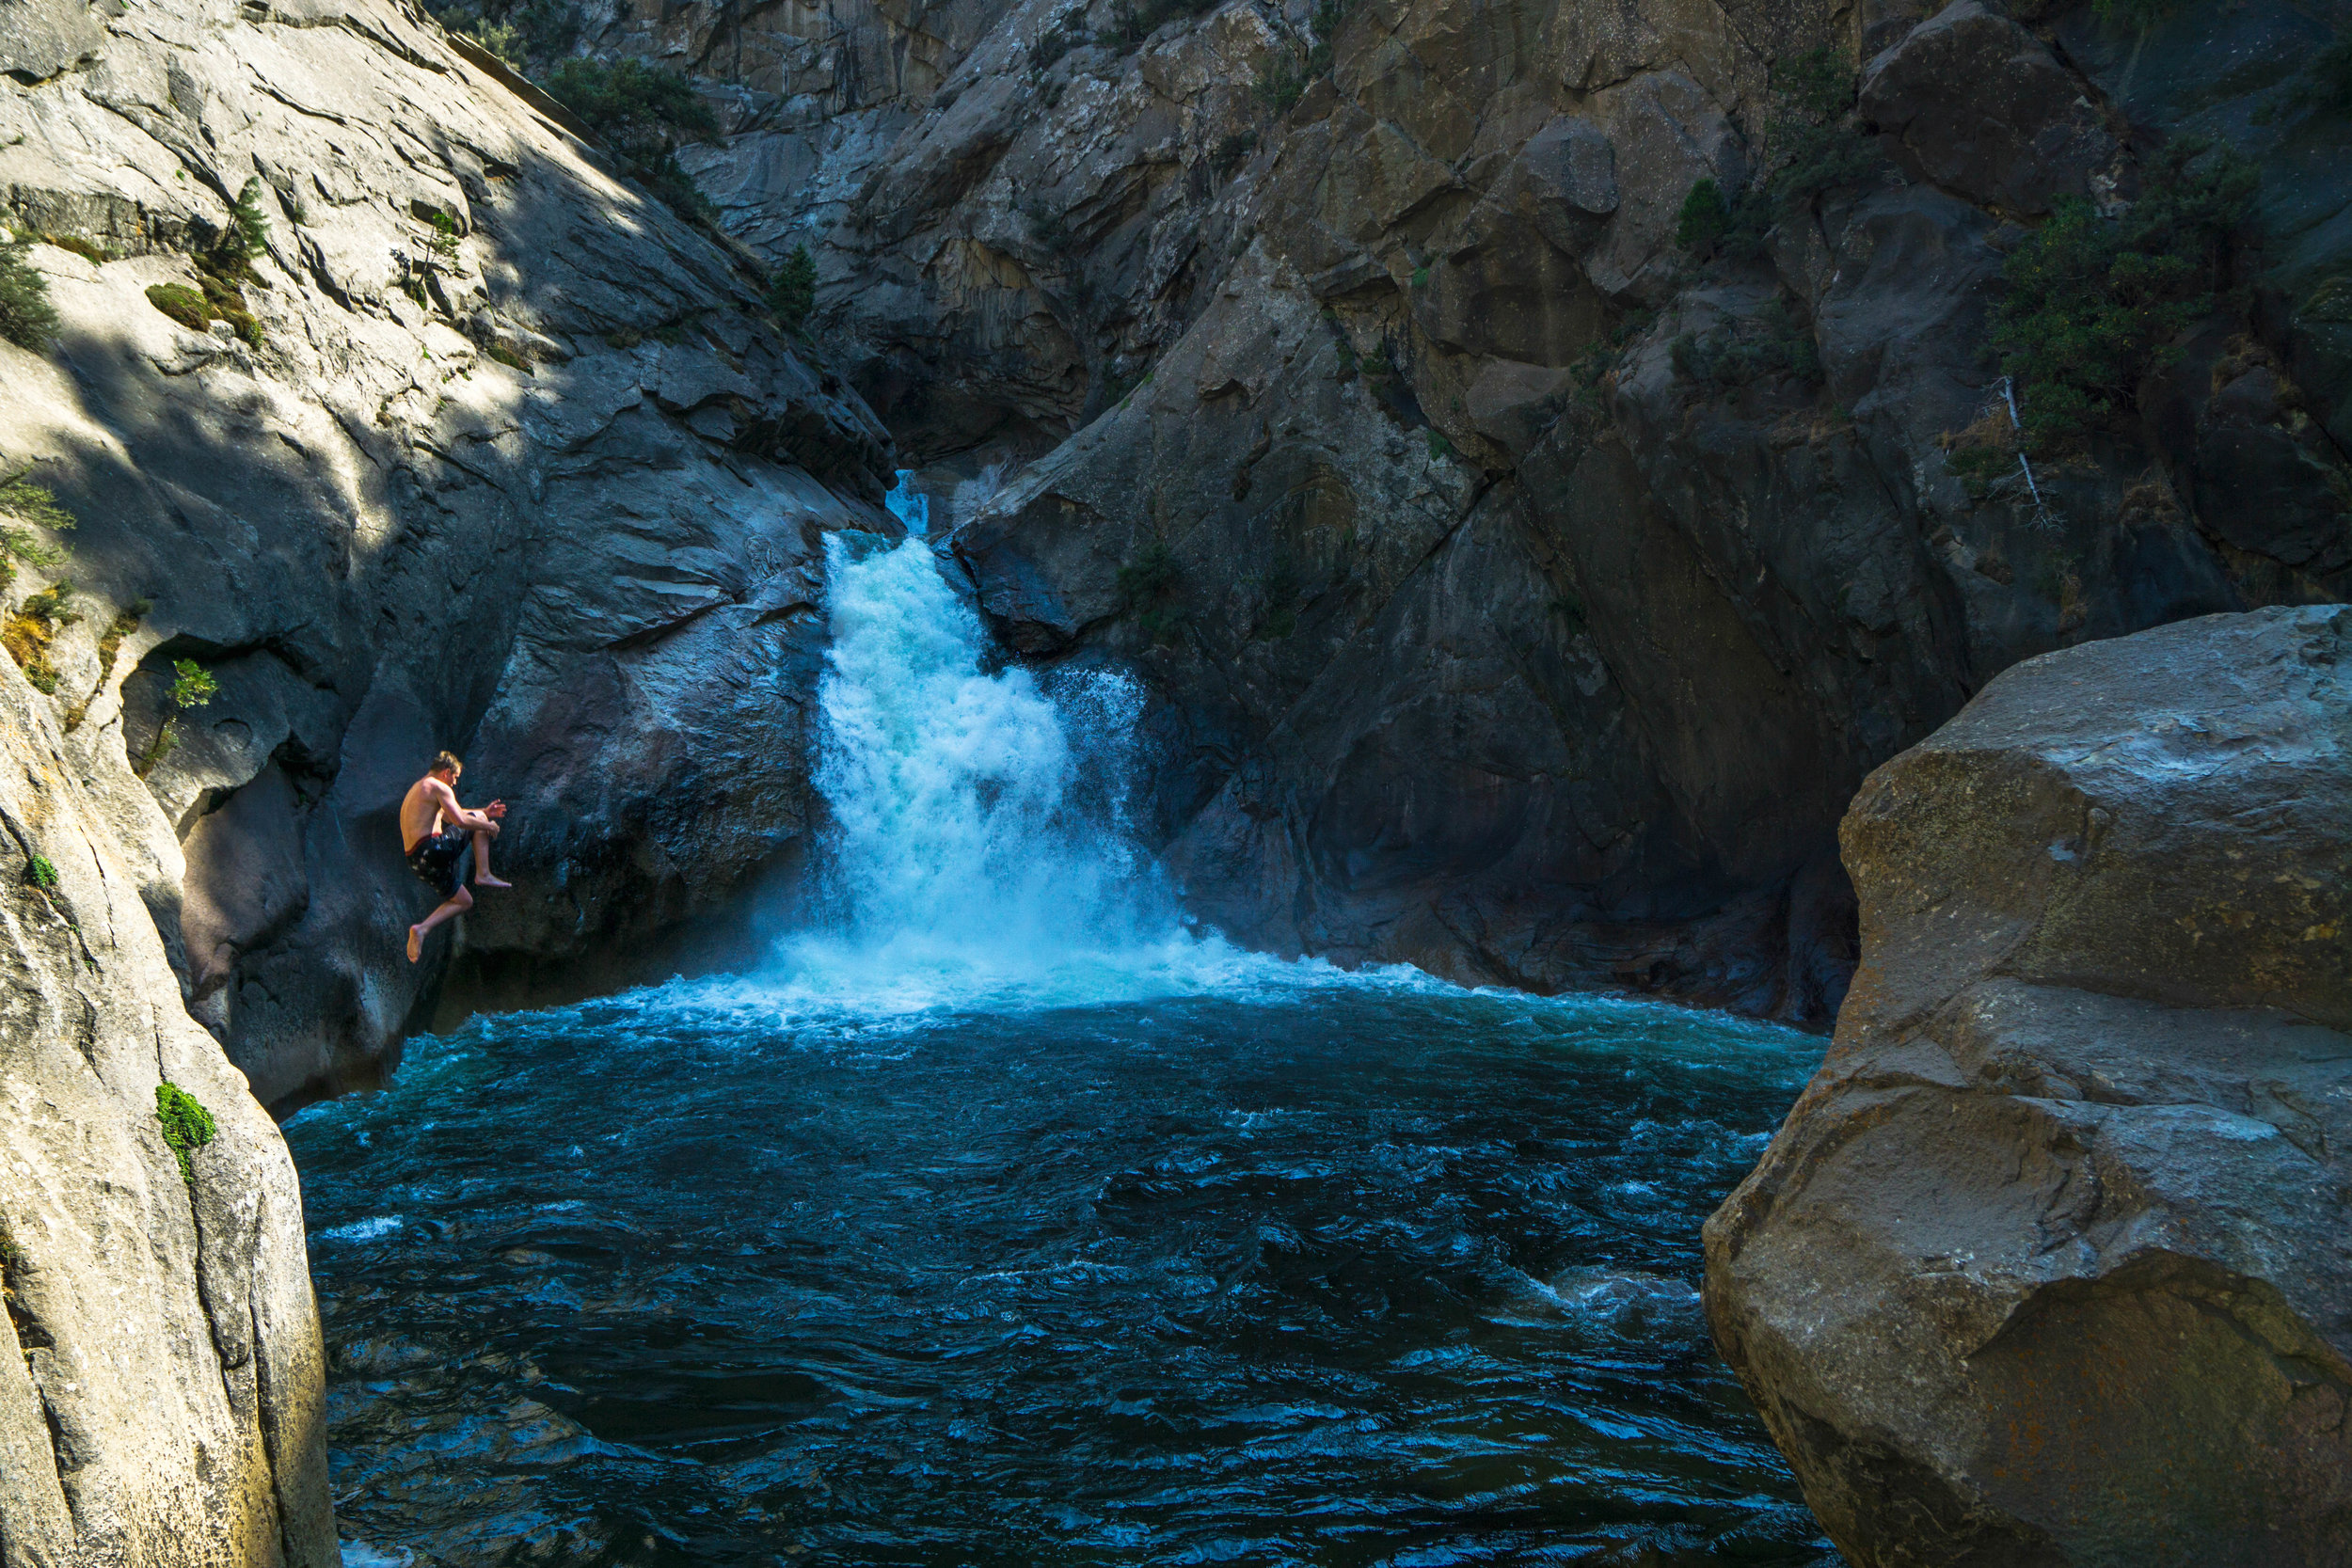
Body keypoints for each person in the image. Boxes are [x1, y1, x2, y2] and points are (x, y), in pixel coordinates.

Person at [400, 750, 511, 963]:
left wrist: (483, 812)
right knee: (476, 820)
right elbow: (460, 820)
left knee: (463, 900)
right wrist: (487, 824)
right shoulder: (438, 786)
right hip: (431, 851)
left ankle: (421, 930)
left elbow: (450, 815)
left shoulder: (420, 789)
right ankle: (484, 873)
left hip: (417, 862)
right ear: (446, 772)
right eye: (455, 778)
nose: (454, 784)